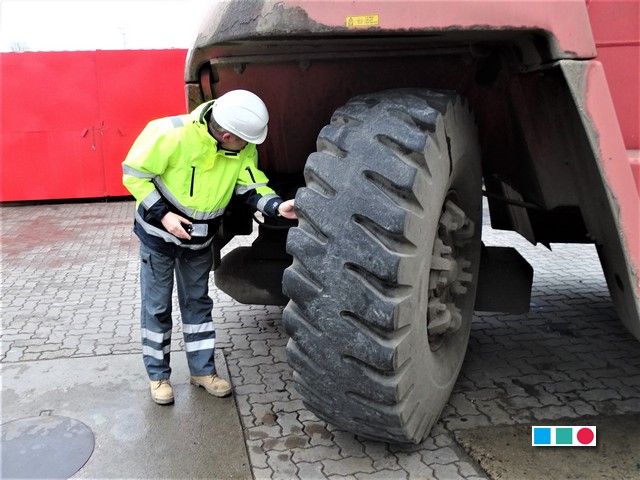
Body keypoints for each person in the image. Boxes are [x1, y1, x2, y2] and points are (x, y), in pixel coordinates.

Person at [122, 90, 296, 405]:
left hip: (199, 242)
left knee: (197, 306)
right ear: (227, 134)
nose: (250, 147)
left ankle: (202, 372)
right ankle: (159, 377)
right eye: (245, 141)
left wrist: (277, 206)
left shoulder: (242, 147)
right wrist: (164, 216)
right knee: (157, 307)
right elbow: (135, 176)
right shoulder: (168, 134)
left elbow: (251, 185)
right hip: (158, 238)